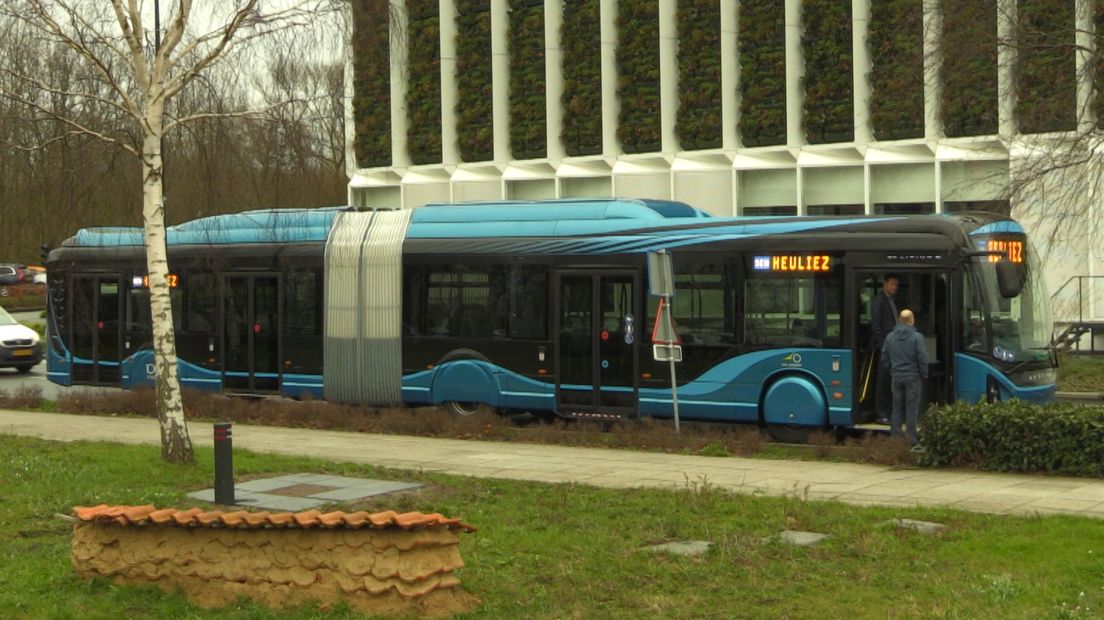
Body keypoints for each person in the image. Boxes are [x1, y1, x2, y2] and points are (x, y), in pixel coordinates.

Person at [881, 309, 929, 450]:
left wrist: (892, 370)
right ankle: (911, 440)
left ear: (900, 321)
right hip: (912, 377)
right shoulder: (917, 337)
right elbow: (923, 358)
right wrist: (923, 374)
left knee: (896, 408)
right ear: (912, 320)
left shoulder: (890, 337)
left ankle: (895, 439)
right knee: (911, 409)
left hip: (896, 377)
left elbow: (884, 357)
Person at [869, 275, 899, 423]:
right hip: (884, 347)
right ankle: (881, 413)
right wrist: (883, 346)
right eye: (892, 284)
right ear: (885, 284)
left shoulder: (891, 301)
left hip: (892, 346)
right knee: (882, 381)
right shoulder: (879, 301)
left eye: (896, 285)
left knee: (888, 381)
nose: (894, 288)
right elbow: (876, 327)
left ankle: (888, 411)